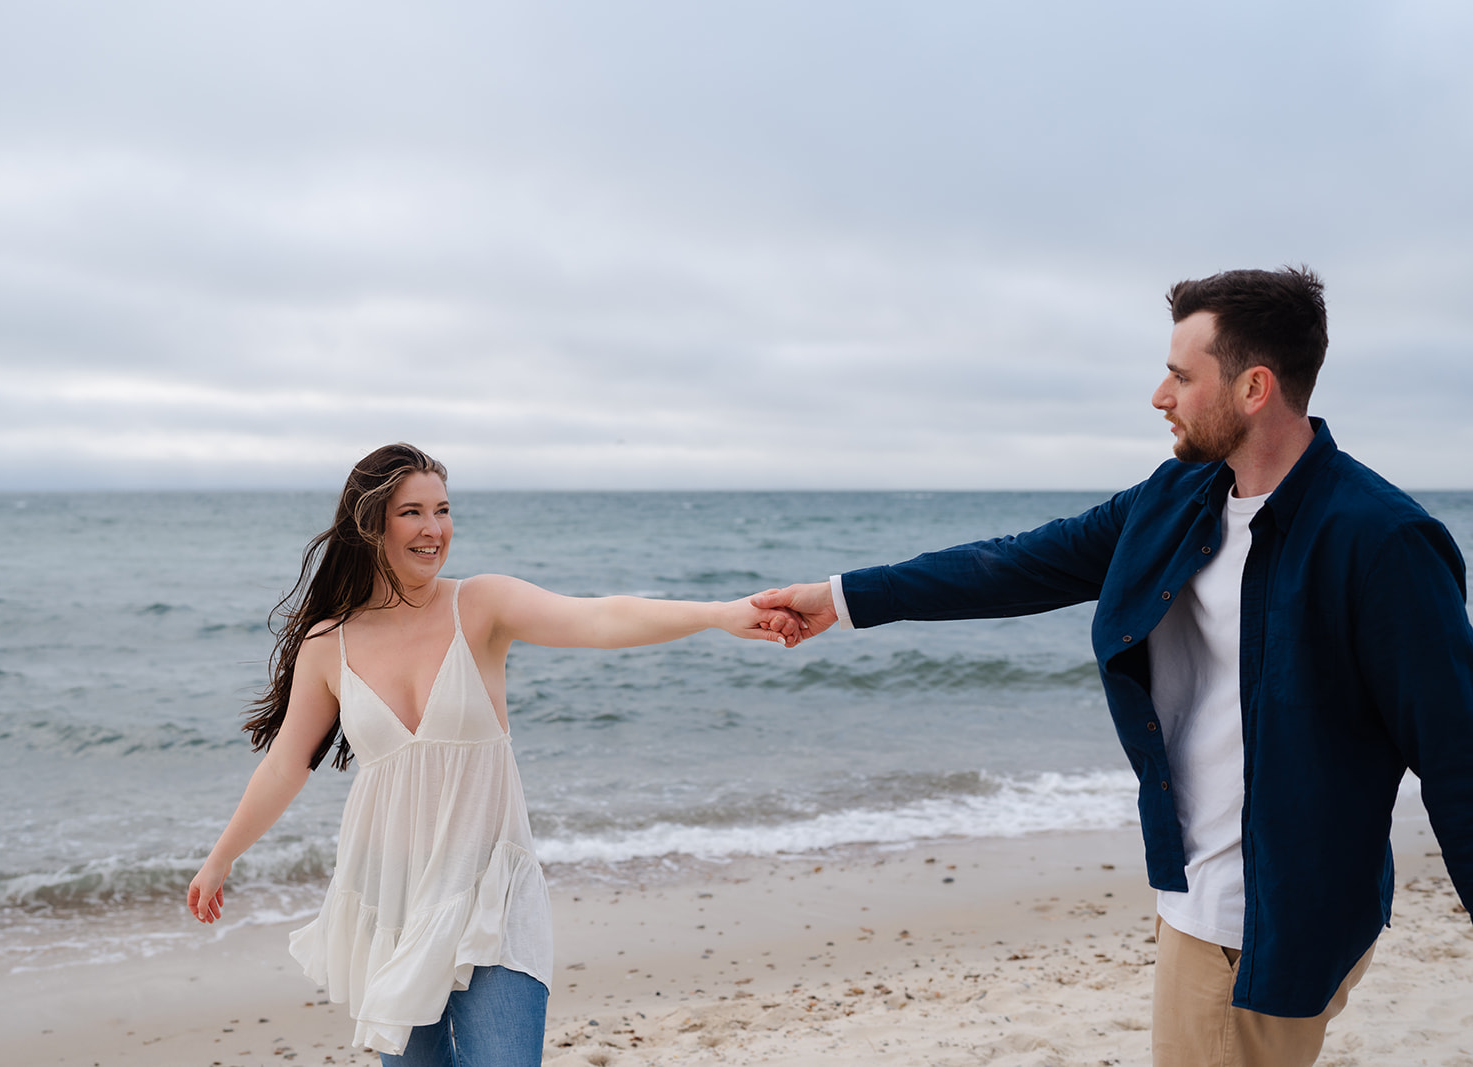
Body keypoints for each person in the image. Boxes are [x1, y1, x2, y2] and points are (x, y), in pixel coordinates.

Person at [752, 267, 1473, 1067]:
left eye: (1180, 374)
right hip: (1208, 889)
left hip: (1250, 923)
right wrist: (841, 598)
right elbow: (1016, 564)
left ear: (1254, 386)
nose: (1159, 395)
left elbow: (1456, 756)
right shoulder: (1180, 497)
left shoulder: (1382, 541)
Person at [187, 443, 800, 1067]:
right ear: (370, 524)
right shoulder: (329, 643)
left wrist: (719, 615)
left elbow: (599, 618)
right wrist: (220, 859)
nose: (434, 529)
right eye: (412, 513)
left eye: (443, 510)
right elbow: (286, 765)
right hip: (390, 898)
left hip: (490, 892)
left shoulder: (478, 606)